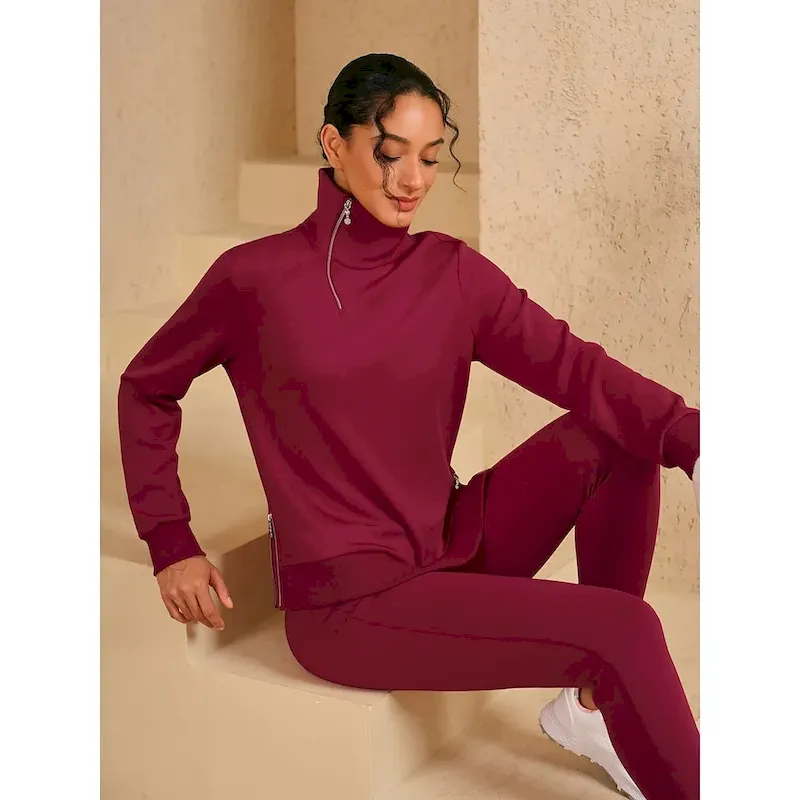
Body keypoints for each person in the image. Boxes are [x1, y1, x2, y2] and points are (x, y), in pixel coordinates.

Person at [117, 53, 700, 800]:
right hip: (350, 607)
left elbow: (574, 366)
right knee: (625, 629)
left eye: (429, 157)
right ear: (334, 145)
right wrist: (171, 541)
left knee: (616, 435)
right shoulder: (254, 278)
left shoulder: (451, 272)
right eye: (389, 154)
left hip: (447, 544)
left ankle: (594, 711)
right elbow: (146, 387)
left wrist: (694, 440)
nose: (412, 180)